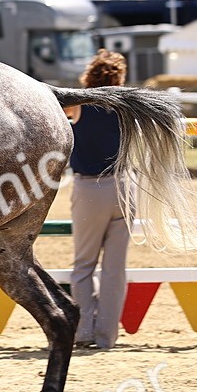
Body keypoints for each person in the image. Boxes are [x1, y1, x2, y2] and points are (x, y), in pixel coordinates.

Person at [62, 49, 130, 349]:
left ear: (89, 76)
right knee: (115, 269)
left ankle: (83, 332)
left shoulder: (79, 103)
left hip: (90, 188)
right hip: (126, 186)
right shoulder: (128, 105)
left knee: (84, 265)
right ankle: (106, 337)